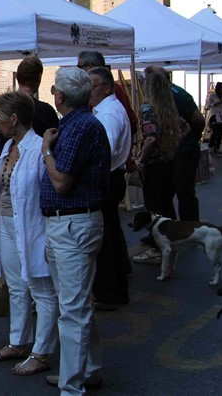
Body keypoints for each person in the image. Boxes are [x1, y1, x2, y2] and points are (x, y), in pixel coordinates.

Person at [40, 67, 110, 393]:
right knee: (78, 304)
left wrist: (46, 151)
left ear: (61, 96)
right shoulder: (78, 124)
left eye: (54, 89)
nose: (53, 93)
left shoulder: (80, 127)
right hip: (69, 223)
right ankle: (86, 370)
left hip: (72, 223)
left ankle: (71, 387)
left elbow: (62, 181)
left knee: (73, 310)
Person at [0, 92, 58, 377]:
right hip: (6, 225)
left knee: (42, 290)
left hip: (32, 228)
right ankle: (18, 342)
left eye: (0, 120)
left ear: (14, 120)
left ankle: (41, 352)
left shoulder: (39, 149)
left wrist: (48, 237)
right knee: (16, 287)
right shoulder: (9, 148)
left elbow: (48, 194)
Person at [87, 67, 132, 308]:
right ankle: (115, 288)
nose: (89, 92)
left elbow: (107, 149)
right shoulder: (107, 110)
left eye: (92, 86)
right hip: (111, 177)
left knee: (104, 239)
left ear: (106, 88)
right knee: (109, 235)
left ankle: (109, 292)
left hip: (108, 178)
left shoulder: (109, 113)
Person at [144, 65, 205, 221]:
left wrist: (187, 139)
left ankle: (189, 228)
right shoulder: (166, 98)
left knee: (182, 193)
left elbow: (197, 120)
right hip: (173, 153)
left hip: (181, 152)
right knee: (168, 195)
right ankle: (174, 230)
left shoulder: (176, 95)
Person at [131, 71, 181, 264]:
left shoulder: (148, 108)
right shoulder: (170, 107)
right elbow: (184, 127)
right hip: (169, 160)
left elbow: (150, 138)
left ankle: (156, 248)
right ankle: (171, 243)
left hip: (154, 164)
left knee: (154, 208)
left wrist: (140, 159)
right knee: (167, 204)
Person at [0, 56, 59, 151]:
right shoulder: (45, 111)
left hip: (10, 159)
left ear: (17, 77)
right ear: (39, 78)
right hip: (35, 160)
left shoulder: (2, 107)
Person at [205, 82, 222, 153]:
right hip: (214, 115)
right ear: (218, 88)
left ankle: (217, 148)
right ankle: (211, 146)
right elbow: (209, 105)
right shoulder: (212, 95)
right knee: (215, 131)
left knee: (220, 132)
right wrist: (219, 102)